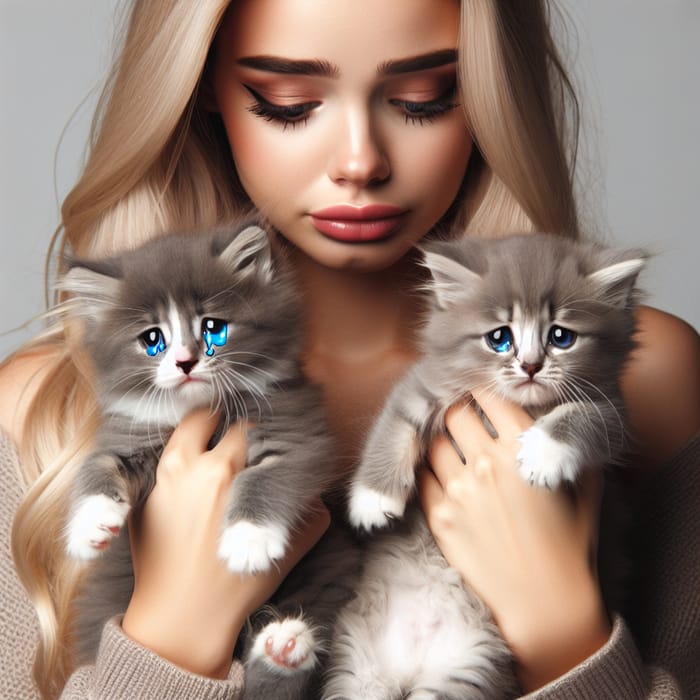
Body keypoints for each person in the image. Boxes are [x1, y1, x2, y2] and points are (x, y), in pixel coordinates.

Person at [1, 0, 698, 698]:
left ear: (490, 97)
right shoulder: (42, 409)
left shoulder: (653, 379)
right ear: (204, 88)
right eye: (289, 103)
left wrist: (563, 635)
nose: (360, 162)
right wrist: (170, 637)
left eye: (425, 99)